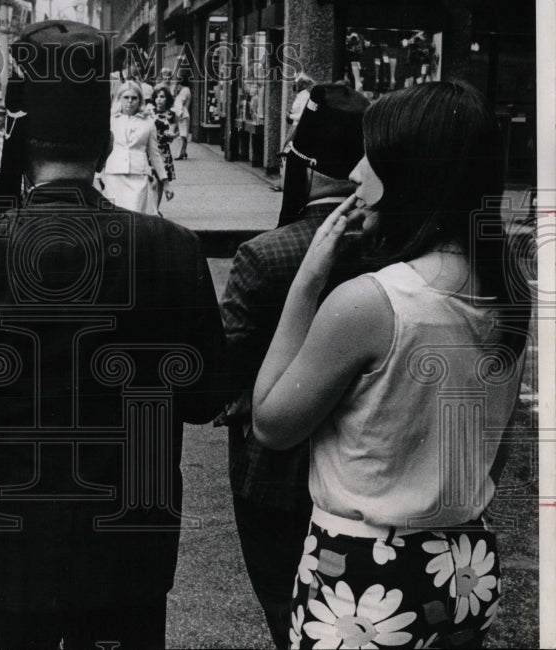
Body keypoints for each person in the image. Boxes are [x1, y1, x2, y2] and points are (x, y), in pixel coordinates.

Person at [0, 20, 230, 650]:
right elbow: (204, 398)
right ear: (101, 139)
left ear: (21, 136)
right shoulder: (171, 250)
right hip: (126, 550)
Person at [253, 80, 527, 650]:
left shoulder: (371, 302)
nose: (354, 174)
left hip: (364, 572)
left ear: (409, 172)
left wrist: (306, 283)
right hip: (464, 562)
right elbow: (492, 457)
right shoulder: (508, 299)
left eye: (371, 158)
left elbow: (272, 424)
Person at [217, 83, 370, 648]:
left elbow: (222, 373)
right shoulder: (393, 248)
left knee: (288, 612)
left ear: (302, 161)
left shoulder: (267, 254)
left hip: (275, 475)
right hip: (363, 470)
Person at [102, 80, 168, 215]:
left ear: (140, 100)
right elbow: (102, 149)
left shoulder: (148, 123)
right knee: (115, 216)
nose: (130, 101)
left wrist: (165, 181)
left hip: (139, 175)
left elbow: (155, 154)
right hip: (114, 175)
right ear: (119, 99)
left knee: (136, 214)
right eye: (126, 97)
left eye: (134, 98)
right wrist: (97, 176)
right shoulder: (110, 121)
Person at [150, 84, 178, 211]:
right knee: (152, 181)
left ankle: (156, 209)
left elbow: (173, 130)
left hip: (163, 150)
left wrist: (171, 134)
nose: (159, 100)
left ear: (167, 99)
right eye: (156, 97)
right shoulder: (149, 111)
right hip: (149, 149)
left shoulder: (171, 114)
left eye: (162, 97)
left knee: (159, 181)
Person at [171, 72, 192, 160]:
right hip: (184, 113)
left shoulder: (184, 91)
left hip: (182, 114)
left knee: (182, 135)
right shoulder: (186, 90)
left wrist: (178, 113)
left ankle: (180, 153)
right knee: (183, 134)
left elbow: (180, 102)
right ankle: (183, 152)